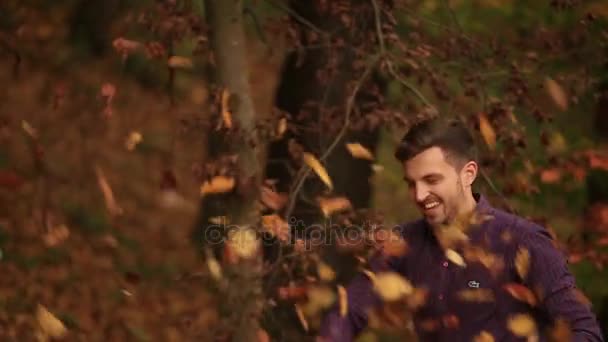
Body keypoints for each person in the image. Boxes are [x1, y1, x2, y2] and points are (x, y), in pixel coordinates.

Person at [318, 116, 604, 341]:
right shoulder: (403, 244)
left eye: (431, 180)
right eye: (411, 183)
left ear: (468, 174)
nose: (418, 195)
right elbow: (350, 311)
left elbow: (584, 332)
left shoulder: (523, 242)